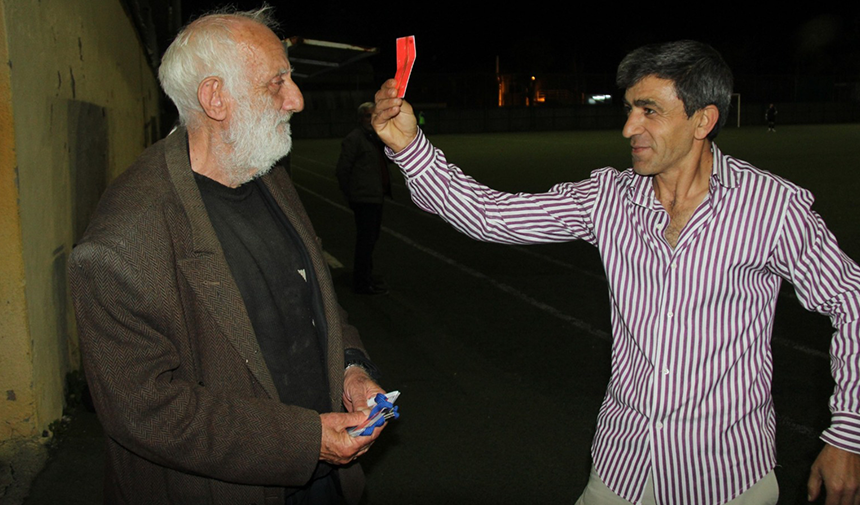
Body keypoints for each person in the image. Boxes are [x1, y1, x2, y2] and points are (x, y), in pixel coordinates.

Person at [374, 40, 860, 505]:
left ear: (703, 120)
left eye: (649, 110)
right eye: (629, 109)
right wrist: (411, 148)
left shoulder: (772, 208)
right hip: (621, 468)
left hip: (726, 476)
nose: (629, 128)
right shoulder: (608, 198)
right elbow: (490, 215)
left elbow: (850, 300)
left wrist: (849, 435)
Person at [69, 7, 388, 505]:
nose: (296, 100)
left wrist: (351, 368)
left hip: (324, 480)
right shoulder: (123, 243)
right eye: (276, 82)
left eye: (291, 78)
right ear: (215, 98)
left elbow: (318, 299)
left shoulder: (267, 176)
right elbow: (147, 411)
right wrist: (305, 441)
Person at [335, 102, 392, 295]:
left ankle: (366, 276)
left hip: (375, 197)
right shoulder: (355, 139)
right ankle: (362, 283)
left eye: (373, 116)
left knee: (371, 239)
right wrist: (351, 195)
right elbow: (343, 169)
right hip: (364, 198)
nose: (371, 120)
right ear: (360, 119)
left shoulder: (374, 138)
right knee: (366, 241)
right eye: (368, 116)